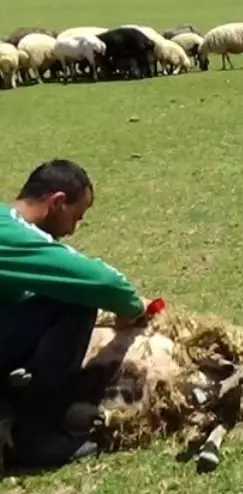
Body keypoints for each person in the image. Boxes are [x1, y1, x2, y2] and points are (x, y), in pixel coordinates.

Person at [0, 159, 150, 468]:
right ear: (56, 202)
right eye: (76, 216)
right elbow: (103, 281)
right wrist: (134, 308)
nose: (72, 228)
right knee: (75, 300)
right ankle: (37, 439)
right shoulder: (13, 235)